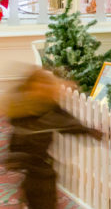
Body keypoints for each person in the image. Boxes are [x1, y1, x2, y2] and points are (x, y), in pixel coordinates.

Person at [2, 68, 103, 209]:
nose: (44, 88)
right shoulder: (28, 107)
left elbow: (64, 120)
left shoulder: (45, 104)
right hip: (31, 158)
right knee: (43, 186)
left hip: (35, 158)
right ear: (31, 86)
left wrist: (88, 131)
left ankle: (30, 199)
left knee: (40, 182)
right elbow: (61, 122)